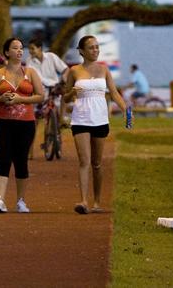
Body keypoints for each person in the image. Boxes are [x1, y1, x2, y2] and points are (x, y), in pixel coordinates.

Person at [63, 35, 128, 214]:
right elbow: (65, 97)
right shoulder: (74, 71)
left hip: (100, 119)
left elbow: (114, 93)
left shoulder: (104, 70)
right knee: (84, 161)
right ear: (82, 51)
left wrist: (125, 110)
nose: (95, 50)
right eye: (91, 47)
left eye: (97, 47)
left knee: (97, 163)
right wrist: (72, 93)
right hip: (80, 119)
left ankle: (97, 202)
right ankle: (83, 201)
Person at [0, 38, 44, 214]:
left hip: (26, 123)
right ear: (6, 52)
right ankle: (0, 200)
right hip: (2, 121)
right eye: (15, 48)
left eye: (21, 48)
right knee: (3, 159)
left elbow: (40, 96)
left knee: (21, 160)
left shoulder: (30, 72)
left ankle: (21, 201)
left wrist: (21, 99)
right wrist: (0, 99)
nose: (19, 51)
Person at [26, 39, 69, 157]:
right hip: (40, 90)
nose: (30, 51)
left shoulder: (51, 57)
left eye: (32, 48)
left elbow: (65, 69)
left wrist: (64, 78)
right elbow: (30, 78)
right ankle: (29, 152)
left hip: (54, 87)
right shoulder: (29, 61)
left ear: (40, 48)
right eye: (29, 49)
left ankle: (62, 119)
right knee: (33, 120)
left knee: (65, 93)